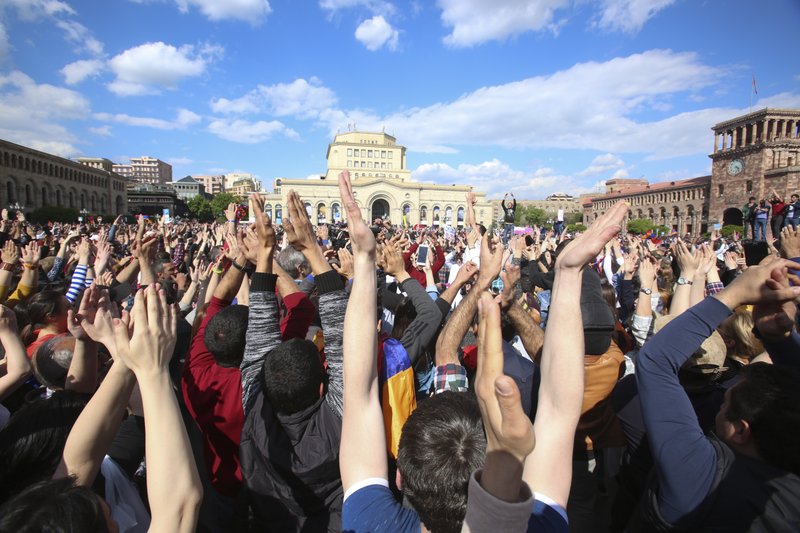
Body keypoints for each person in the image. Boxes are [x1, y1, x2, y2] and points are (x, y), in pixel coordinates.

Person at [629, 259, 800, 530]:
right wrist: (778, 338)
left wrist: (733, 294)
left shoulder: (700, 479)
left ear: (741, 431)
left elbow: (655, 361)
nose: (720, 403)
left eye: (725, 405)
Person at [238, 192, 347, 532]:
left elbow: (259, 334)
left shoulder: (256, 411)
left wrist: (266, 254)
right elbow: (342, 340)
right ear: (320, 387)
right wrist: (312, 248)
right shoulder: (338, 423)